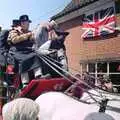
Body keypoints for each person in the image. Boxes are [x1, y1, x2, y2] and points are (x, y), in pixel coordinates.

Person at [7, 15, 42, 87]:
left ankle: (38, 75)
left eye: (28, 23)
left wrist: (33, 38)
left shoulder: (30, 32)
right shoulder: (14, 31)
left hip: (27, 50)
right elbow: (14, 40)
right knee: (24, 59)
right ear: (22, 23)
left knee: (36, 55)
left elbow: (34, 41)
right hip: (16, 51)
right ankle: (25, 82)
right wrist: (27, 35)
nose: (28, 25)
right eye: (26, 23)